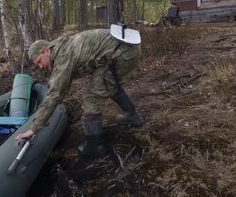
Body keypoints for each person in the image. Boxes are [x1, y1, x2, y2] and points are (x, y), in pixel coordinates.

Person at [15, 28, 143, 158]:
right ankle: (131, 115)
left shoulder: (63, 58)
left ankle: (95, 147)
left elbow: (54, 95)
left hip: (124, 53)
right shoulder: (58, 46)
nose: (40, 66)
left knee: (92, 100)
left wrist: (34, 128)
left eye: (39, 61)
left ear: (46, 51)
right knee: (107, 85)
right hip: (125, 49)